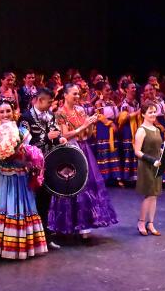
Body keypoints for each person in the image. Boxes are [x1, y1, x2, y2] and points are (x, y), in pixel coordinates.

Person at [0, 101, 48, 259]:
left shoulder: (22, 132)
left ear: (14, 112)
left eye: (8, 111)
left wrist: (23, 156)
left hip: (18, 176)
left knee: (18, 208)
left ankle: (17, 247)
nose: (5, 115)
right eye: (1, 112)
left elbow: (30, 154)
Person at [48, 84, 118, 242]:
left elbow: (87, 133)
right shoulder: (60, 114)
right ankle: (67, 225)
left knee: (88, 185)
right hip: (71, 150)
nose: (77, 96)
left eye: (78, 94)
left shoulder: (80, 110)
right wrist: (84, 125)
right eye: (74, 93)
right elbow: (65, 134)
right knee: (72, 186)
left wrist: (92, 123)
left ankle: (85, 225)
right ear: (65, 95)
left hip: (84, 148)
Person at [19, 87, 65, 249]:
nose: (51, 105)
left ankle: (45, 236)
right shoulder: (25, 118)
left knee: (46, 201)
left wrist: (59, 139)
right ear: (40, 100)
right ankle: (32, 239)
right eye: (49, 102)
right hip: (33, 166)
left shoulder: (51, 115)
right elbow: (24, 144)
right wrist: (46, 137)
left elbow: (54, 134)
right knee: (33, 202)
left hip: (49, 164)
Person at [134, 101, 164, 236]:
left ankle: (150, 223)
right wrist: (152, 161)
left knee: (155, 194)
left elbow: (158, 148)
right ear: (143, 114)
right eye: (150, 112)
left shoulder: (157, 129)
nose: (153, 114)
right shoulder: (141, 130)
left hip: (157, 165)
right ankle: (141, 222)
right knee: (149, 194)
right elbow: (137, 151)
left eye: (154, 111)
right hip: (147, 166)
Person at [92, 81, 123, 186]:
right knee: (104, 152)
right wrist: (110, 124)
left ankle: (115, 176)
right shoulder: (98, 103)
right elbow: (100, 116)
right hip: (104, 128)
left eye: (110, 90)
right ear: (100, 92)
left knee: (113, 151)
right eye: (107, 90)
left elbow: (117, 115)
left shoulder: (112, 102)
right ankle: (105, 178)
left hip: (112, 128)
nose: (110, 92)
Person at [118, 81, 140, 183]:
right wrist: (136, 113)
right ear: (126, 89)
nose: (134, 89)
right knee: (128, 151)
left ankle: (134, 176)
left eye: (135, 88)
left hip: (136, 128)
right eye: (132, 88)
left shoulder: (136, 102)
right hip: (127, 129)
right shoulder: (124, 103)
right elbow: (124, 118)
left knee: (135, 150)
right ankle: (126, 177)